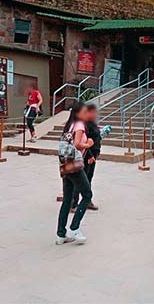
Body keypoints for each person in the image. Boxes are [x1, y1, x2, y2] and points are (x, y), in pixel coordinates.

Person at [56, 102, 93, 245]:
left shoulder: (69, 125)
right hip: (75, 166)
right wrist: (88, 144)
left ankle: (61, 234)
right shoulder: (79, 125)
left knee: (67, 200)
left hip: (65, 166)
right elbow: (77, 144)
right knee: (87, 194)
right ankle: (74, 228)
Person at [72, 103, 110, 212]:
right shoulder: (83, 125)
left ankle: (87, 200)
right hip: (88, 155)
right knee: (82, 179)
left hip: (93, 154)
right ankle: (74, 202)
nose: (94, 114)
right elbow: (83, 141)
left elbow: (94, 137)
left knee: (88, 178)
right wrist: (90, 155)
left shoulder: (91, 124)